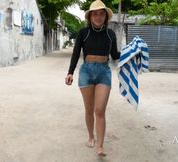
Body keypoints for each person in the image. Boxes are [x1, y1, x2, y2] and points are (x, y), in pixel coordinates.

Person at [65, 0, 120, 156]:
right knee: (89, 110)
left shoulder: (111, 34)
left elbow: (115, 55)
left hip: (104, 72)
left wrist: (131, 55)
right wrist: (70, 72)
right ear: (90, 17)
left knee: (99, 110)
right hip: (86, 73)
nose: (98, 16)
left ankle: (100, 146)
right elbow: (76, 53)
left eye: (101, 14)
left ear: (105, 17)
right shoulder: (83, 33)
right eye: (95, 14)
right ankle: (91, 136)